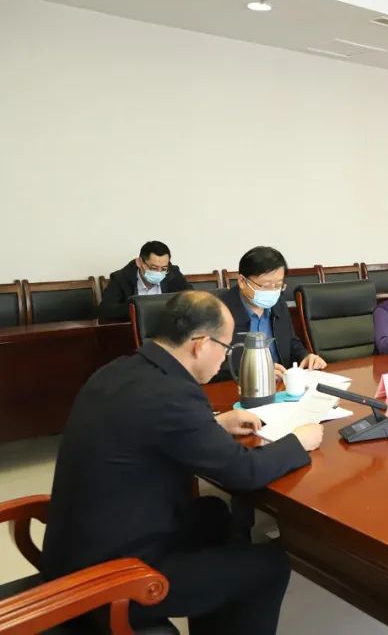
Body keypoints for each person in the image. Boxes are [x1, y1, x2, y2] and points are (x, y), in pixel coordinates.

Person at [42, 291, 323, 634]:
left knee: (214, 514)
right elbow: (243, 472)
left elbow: (147, 427)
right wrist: (298, 441)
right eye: (226, 347)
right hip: (111, 580)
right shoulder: (173, 395)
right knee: (270, 565)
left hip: (76, 552)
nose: (225, 358)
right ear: (200, 344)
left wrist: (214, 424)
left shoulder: (118, 370)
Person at [217, 247, 325, 381]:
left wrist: (305, 356)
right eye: (265, 285)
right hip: (239, 387)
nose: (272, 291)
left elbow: (291, 342)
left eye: (278, 285)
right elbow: (211, 365)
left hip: (280, 385)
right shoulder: (219, 310)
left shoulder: (278, 302)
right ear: (242, 282)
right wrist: (255, 371)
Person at [98, 240, 193, 321]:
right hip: (133, 332)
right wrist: (136, 308)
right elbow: (105, 311)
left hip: (166, 329)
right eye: (153, 268)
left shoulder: (173, 274)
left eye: (163, 269)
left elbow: (193, 300)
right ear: (139, 262)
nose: (159, 273)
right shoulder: (121, 278)